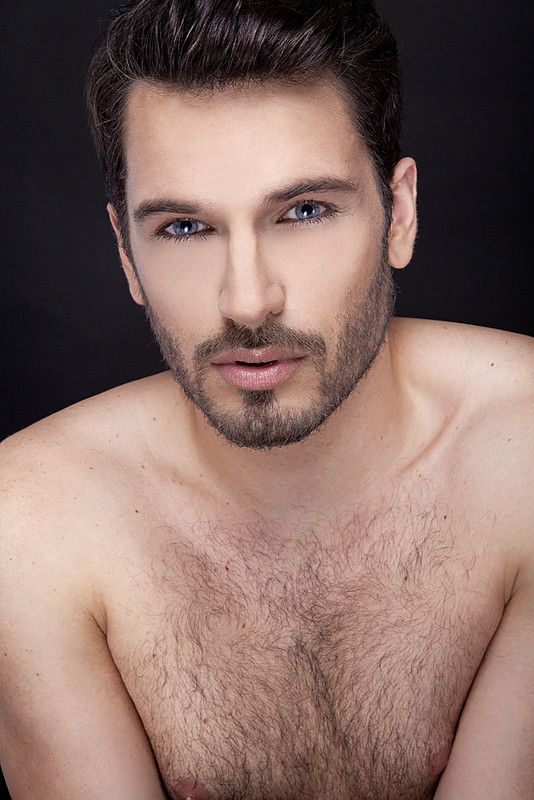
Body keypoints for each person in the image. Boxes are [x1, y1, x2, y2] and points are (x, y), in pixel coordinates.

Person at [1, 0, 533, 798]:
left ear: (400, 215)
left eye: (304, 211)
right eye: (184, 228)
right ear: (126, 253)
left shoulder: (522, 456)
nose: (247, 301)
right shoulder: (30, 525)